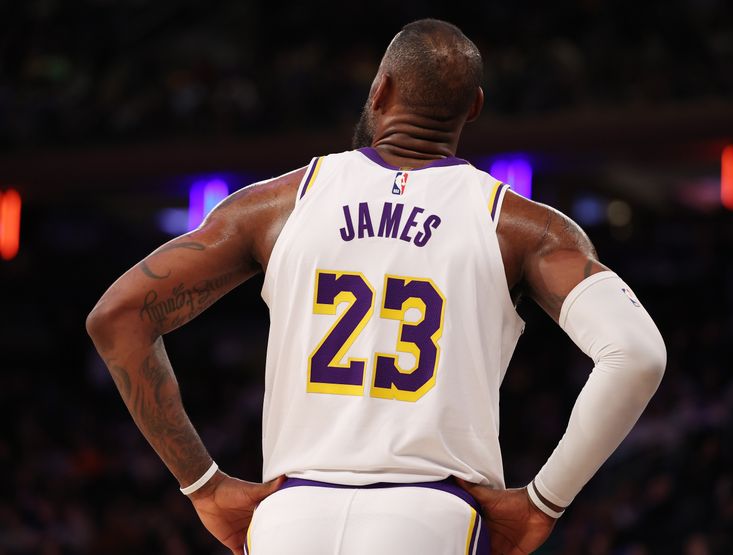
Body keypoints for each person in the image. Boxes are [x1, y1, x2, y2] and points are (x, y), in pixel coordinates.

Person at [86, 18, 666, 555]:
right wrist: (544, 501)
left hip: (291, 517)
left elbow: (117, 317)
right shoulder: (520, 226)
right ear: (475, 109)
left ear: (380, 90)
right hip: (432, 515)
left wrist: (204, 485)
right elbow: (637, 355)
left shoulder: (274, 206)